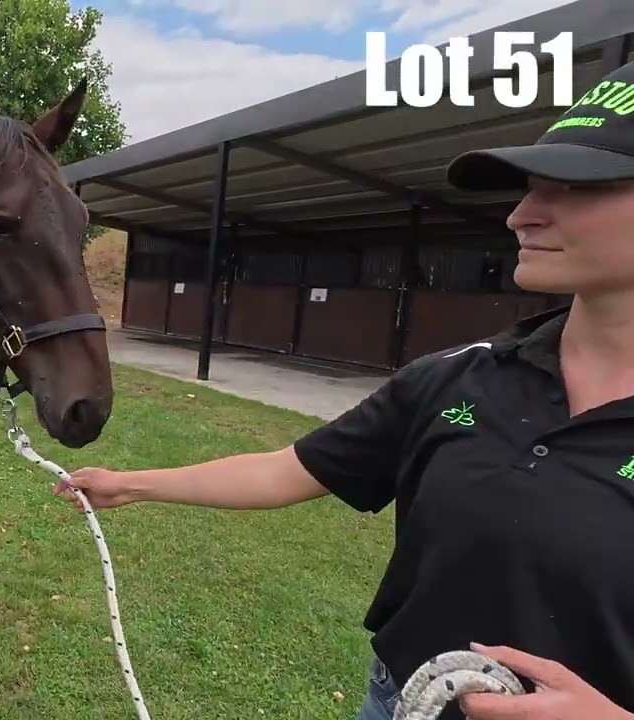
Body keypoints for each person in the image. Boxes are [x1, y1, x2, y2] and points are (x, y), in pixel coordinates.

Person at [56, 58, 634, 720]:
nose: (521, 217)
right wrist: (128, 485)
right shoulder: (455, 378)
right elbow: (284, 472)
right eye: (530, 188)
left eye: (573, 187)